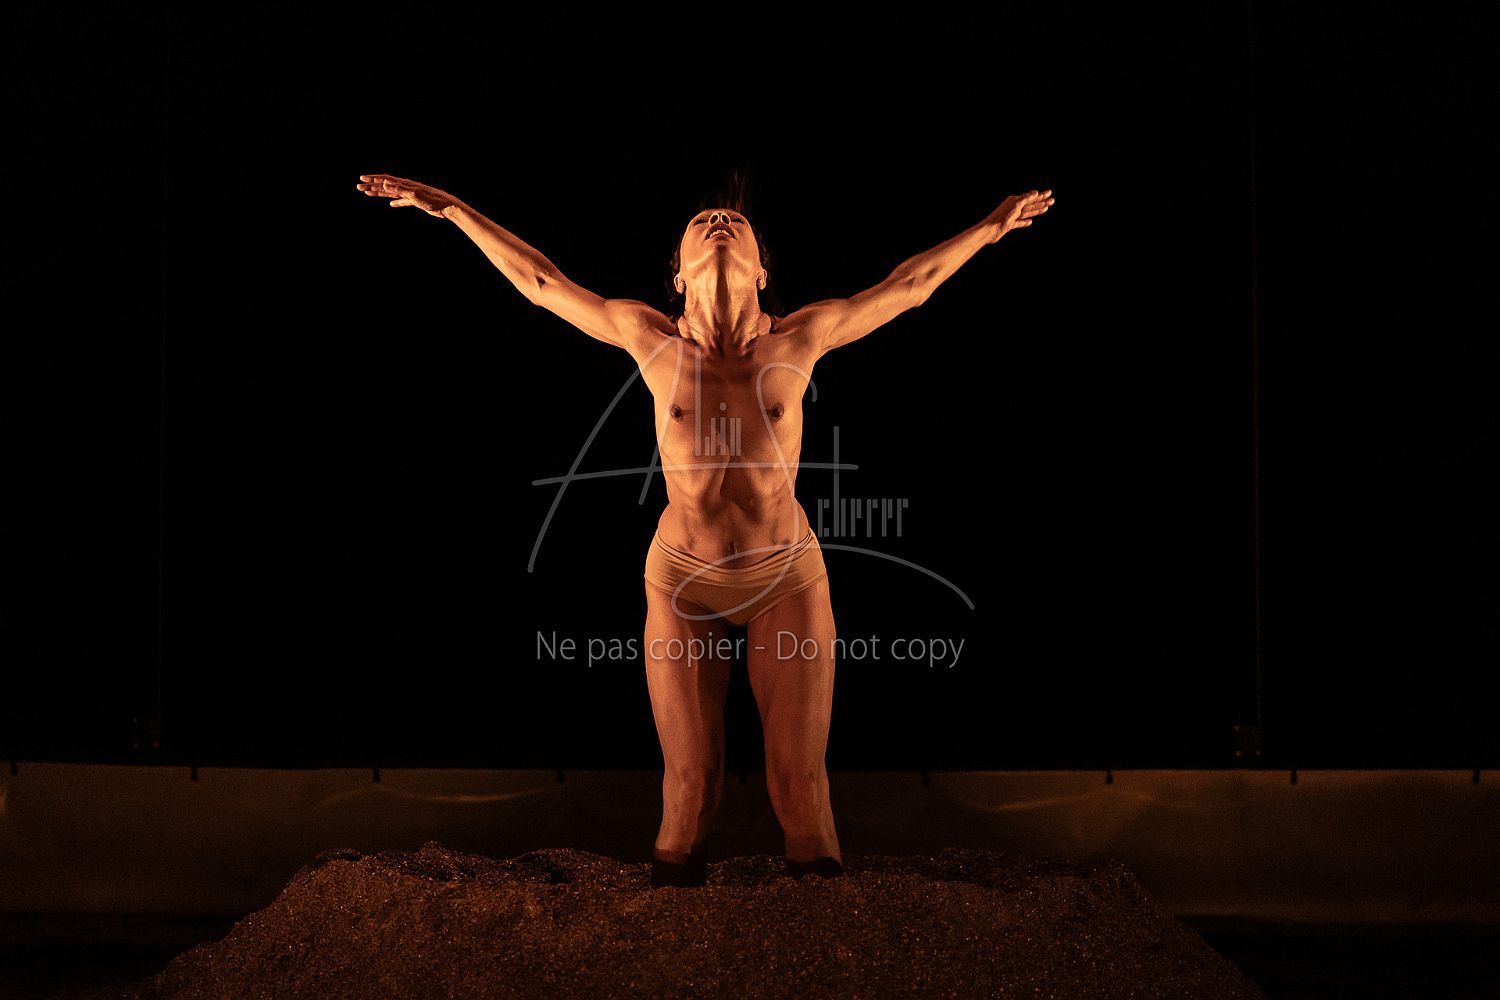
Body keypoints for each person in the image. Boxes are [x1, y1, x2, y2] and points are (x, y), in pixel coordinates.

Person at [356, 172, 1054, 886]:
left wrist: (989, 228)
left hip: (786, 576)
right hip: (683, 581)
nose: (719, 221)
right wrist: (453, 211)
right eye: (702, 222)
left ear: (761, 271)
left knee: (799, 788)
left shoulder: (803, 336)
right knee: (689, 791)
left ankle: (825, 931)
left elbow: (909, 286)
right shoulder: (647, 335)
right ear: (679, 277)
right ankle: (669, 932)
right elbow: (540, 283)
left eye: (734, 222)